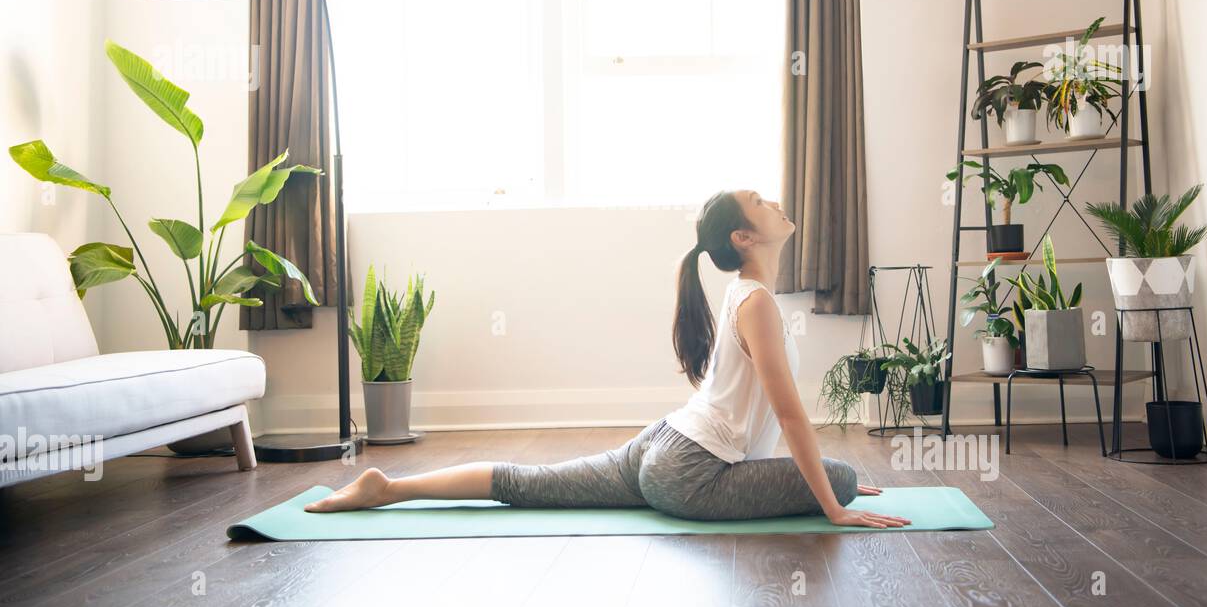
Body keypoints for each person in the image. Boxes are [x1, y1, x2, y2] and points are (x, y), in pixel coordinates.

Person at [305, 189, 911, 529]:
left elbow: (771, 420)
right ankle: (387, 489)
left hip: (664, 444)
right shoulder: (757, 304)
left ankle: (389, 488)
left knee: (528, 484)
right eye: (759, 202)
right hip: (691, 473)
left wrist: (807, 482)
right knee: (842, 476)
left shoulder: (744, 296)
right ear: (744, 239)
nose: (774, 200)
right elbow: (792, 416)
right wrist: (829, 500)